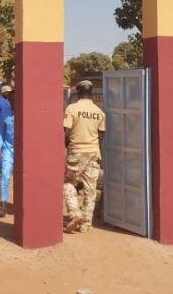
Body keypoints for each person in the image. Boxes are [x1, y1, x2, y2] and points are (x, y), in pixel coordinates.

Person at [63, 80, 105, 233]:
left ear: (78, 92)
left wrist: (68, 146)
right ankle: (86, 224)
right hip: (94, 152)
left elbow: (65, 132)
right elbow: (101, 135)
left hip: (76, 151)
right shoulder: (99, 112)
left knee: (68, 183)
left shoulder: (72, 109)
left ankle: (75, 213)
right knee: (90, 189)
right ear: (91, 93)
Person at [0, 88, 14, 218]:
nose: (14, 102)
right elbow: (0, 131)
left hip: (23, 150)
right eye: (12, 100)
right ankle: (3, 206)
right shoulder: (5, 113)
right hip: (8, 149)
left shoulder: (26, 113)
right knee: (4, 175)